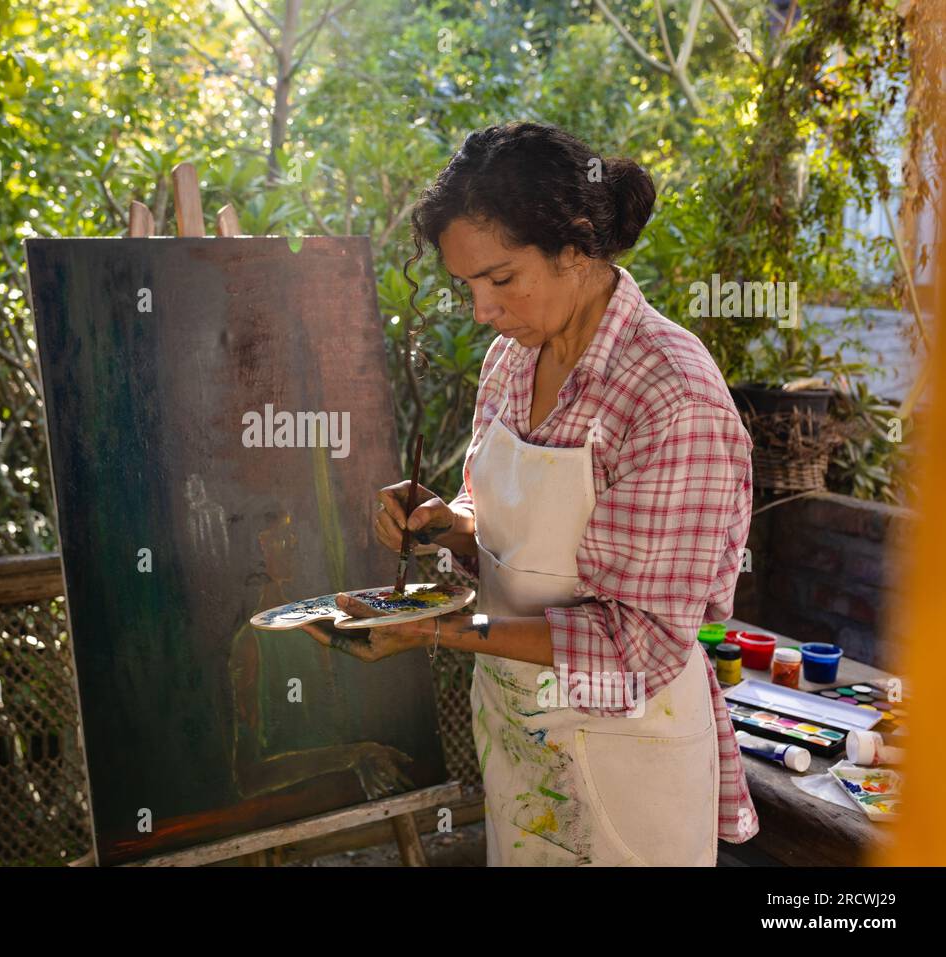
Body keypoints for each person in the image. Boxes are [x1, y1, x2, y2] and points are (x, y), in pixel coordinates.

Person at [298, 121, 759, 866]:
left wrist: (432, 631)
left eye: (501, 279)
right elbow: (510, 539)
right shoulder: (511, 363)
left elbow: (637, 639)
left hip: (625, 754)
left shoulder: (672, 397)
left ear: (576, 248)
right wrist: (449, 525)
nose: (483, 310)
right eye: (468, 285)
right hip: (519, 736)